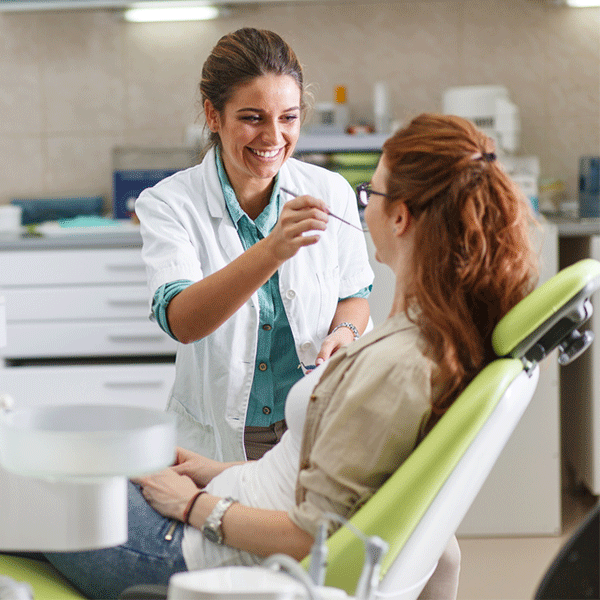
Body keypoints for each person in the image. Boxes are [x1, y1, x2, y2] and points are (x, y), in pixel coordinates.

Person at [44, 113, 538, 600]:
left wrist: (193, 505)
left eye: (372, 193)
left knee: (22, 487)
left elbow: (311, 535)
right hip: (227, 497)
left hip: (197, 548)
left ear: (401, 217)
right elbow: (305, 483)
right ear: (214, 117)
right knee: (64, 456)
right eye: (254, 117)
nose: (361, 206)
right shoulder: (426, 340)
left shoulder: (396, 368)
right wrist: (212, 473)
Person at [134, 28, 374, 462]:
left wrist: (345, 332)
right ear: (213, 115)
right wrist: (273, 248)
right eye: (252, 118)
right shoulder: (168, 203)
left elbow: (355, 295)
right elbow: (183, 322)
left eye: (288, 117)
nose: (273, 138)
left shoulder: (330, 189)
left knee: (311, 531)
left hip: (316, 423)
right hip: (223, 435)